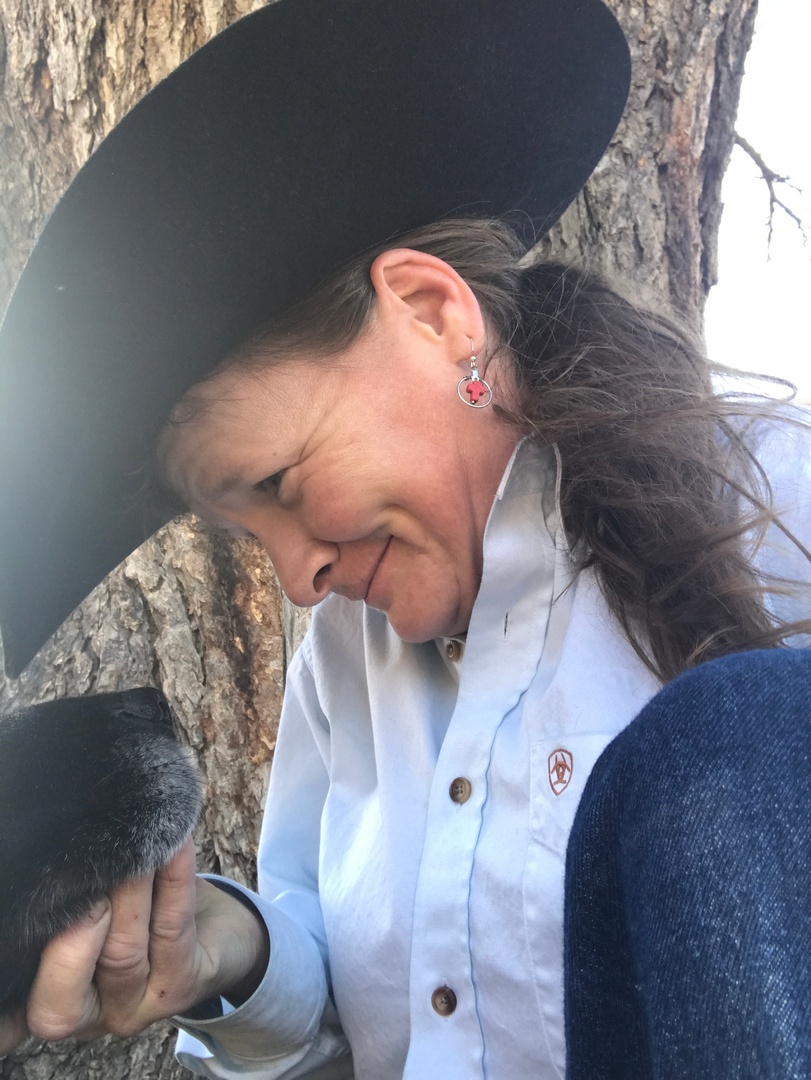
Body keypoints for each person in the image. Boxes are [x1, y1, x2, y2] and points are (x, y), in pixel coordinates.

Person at [0, 1, 809, 1078]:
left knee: (727, 732)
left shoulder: (776, 498)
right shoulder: (346, 663)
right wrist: (216, 951)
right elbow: (352, 1002)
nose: (298, 580)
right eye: (249, 534)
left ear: (431, 312)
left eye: (280, 484)